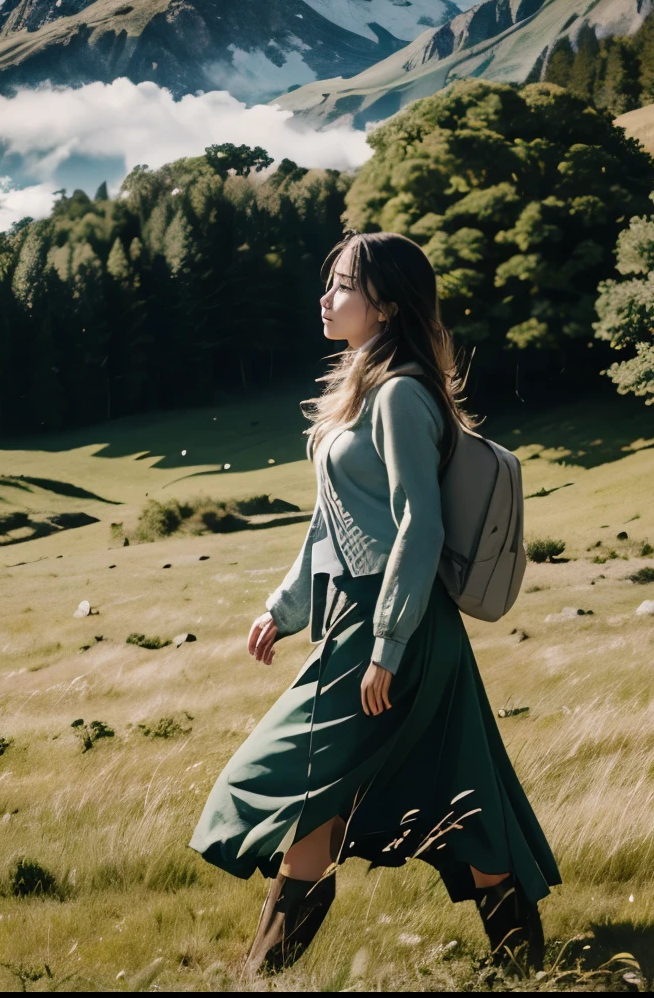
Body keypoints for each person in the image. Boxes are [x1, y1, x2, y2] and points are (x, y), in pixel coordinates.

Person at [190, 231, 560, 975]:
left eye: (342, 287)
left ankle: (265, 975)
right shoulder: (362, 388)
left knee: (290, 777)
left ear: (386, 303)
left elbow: (417, 523)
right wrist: (285, 607)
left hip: (395, 626)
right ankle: (519, 970)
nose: (325, 299)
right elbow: (334, 519)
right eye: (328, 285)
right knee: (452, 792)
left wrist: (388, 643)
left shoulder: (400, 395)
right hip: (360, 619)